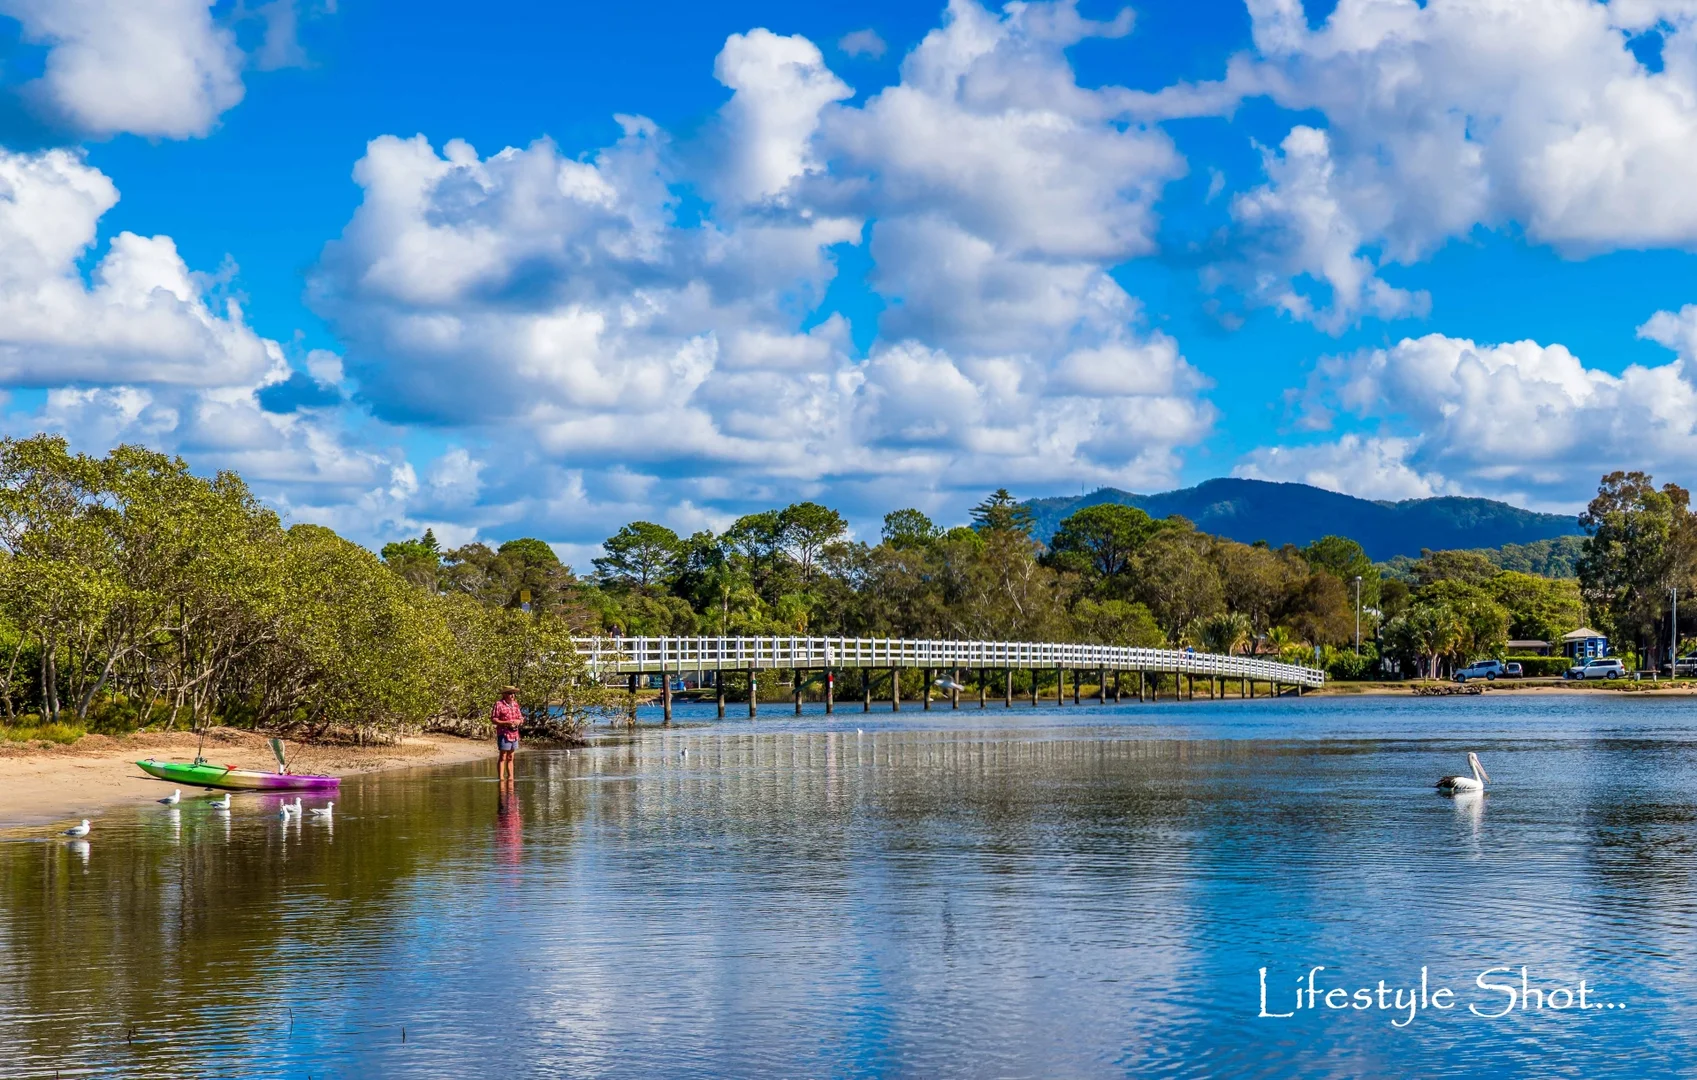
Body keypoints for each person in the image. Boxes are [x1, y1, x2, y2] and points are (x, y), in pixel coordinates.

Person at [492, 685, 523, 781]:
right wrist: (506, 723)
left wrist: (519, 721)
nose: (512, 695)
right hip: (503, 733)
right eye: (510, 693)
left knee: (511, 757)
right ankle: (501, 778)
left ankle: (510, 778)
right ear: (504, 694)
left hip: (514, 734)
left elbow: (521, 717)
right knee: (503, 756)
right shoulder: (499, 704)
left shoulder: (515, 704)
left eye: (513, 693)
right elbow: (494, 719)